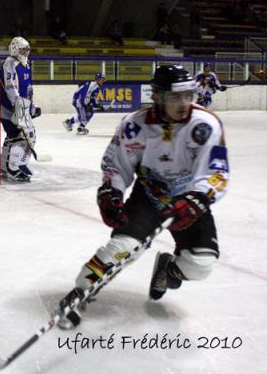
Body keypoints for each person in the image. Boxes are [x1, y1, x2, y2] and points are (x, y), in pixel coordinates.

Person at [57, 65, 229, 329]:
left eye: (188, 95)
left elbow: (217, 172)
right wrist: (111, 192)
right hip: (149, 196)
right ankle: (80, 292)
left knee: (200, 265)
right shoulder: (133, 126)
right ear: (157, 97)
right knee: (121, 250)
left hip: (188, 199)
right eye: (175, 97)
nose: (184, 104)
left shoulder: (206, 124)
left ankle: (167, 269)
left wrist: (199, 198)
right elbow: (116, 166)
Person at [0, 36, 41, 181]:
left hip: (21, 107)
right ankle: (13, 167)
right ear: (15, 49)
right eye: (23, 49)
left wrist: (31, 106)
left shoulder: (26, 64)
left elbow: (28, 88)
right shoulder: (10, 63)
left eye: (27, 49)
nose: (26, 52)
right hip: (9, 108)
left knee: (13, 136)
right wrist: (19, 106)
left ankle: (3, 166)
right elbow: (11, 88)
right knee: (20, 136)